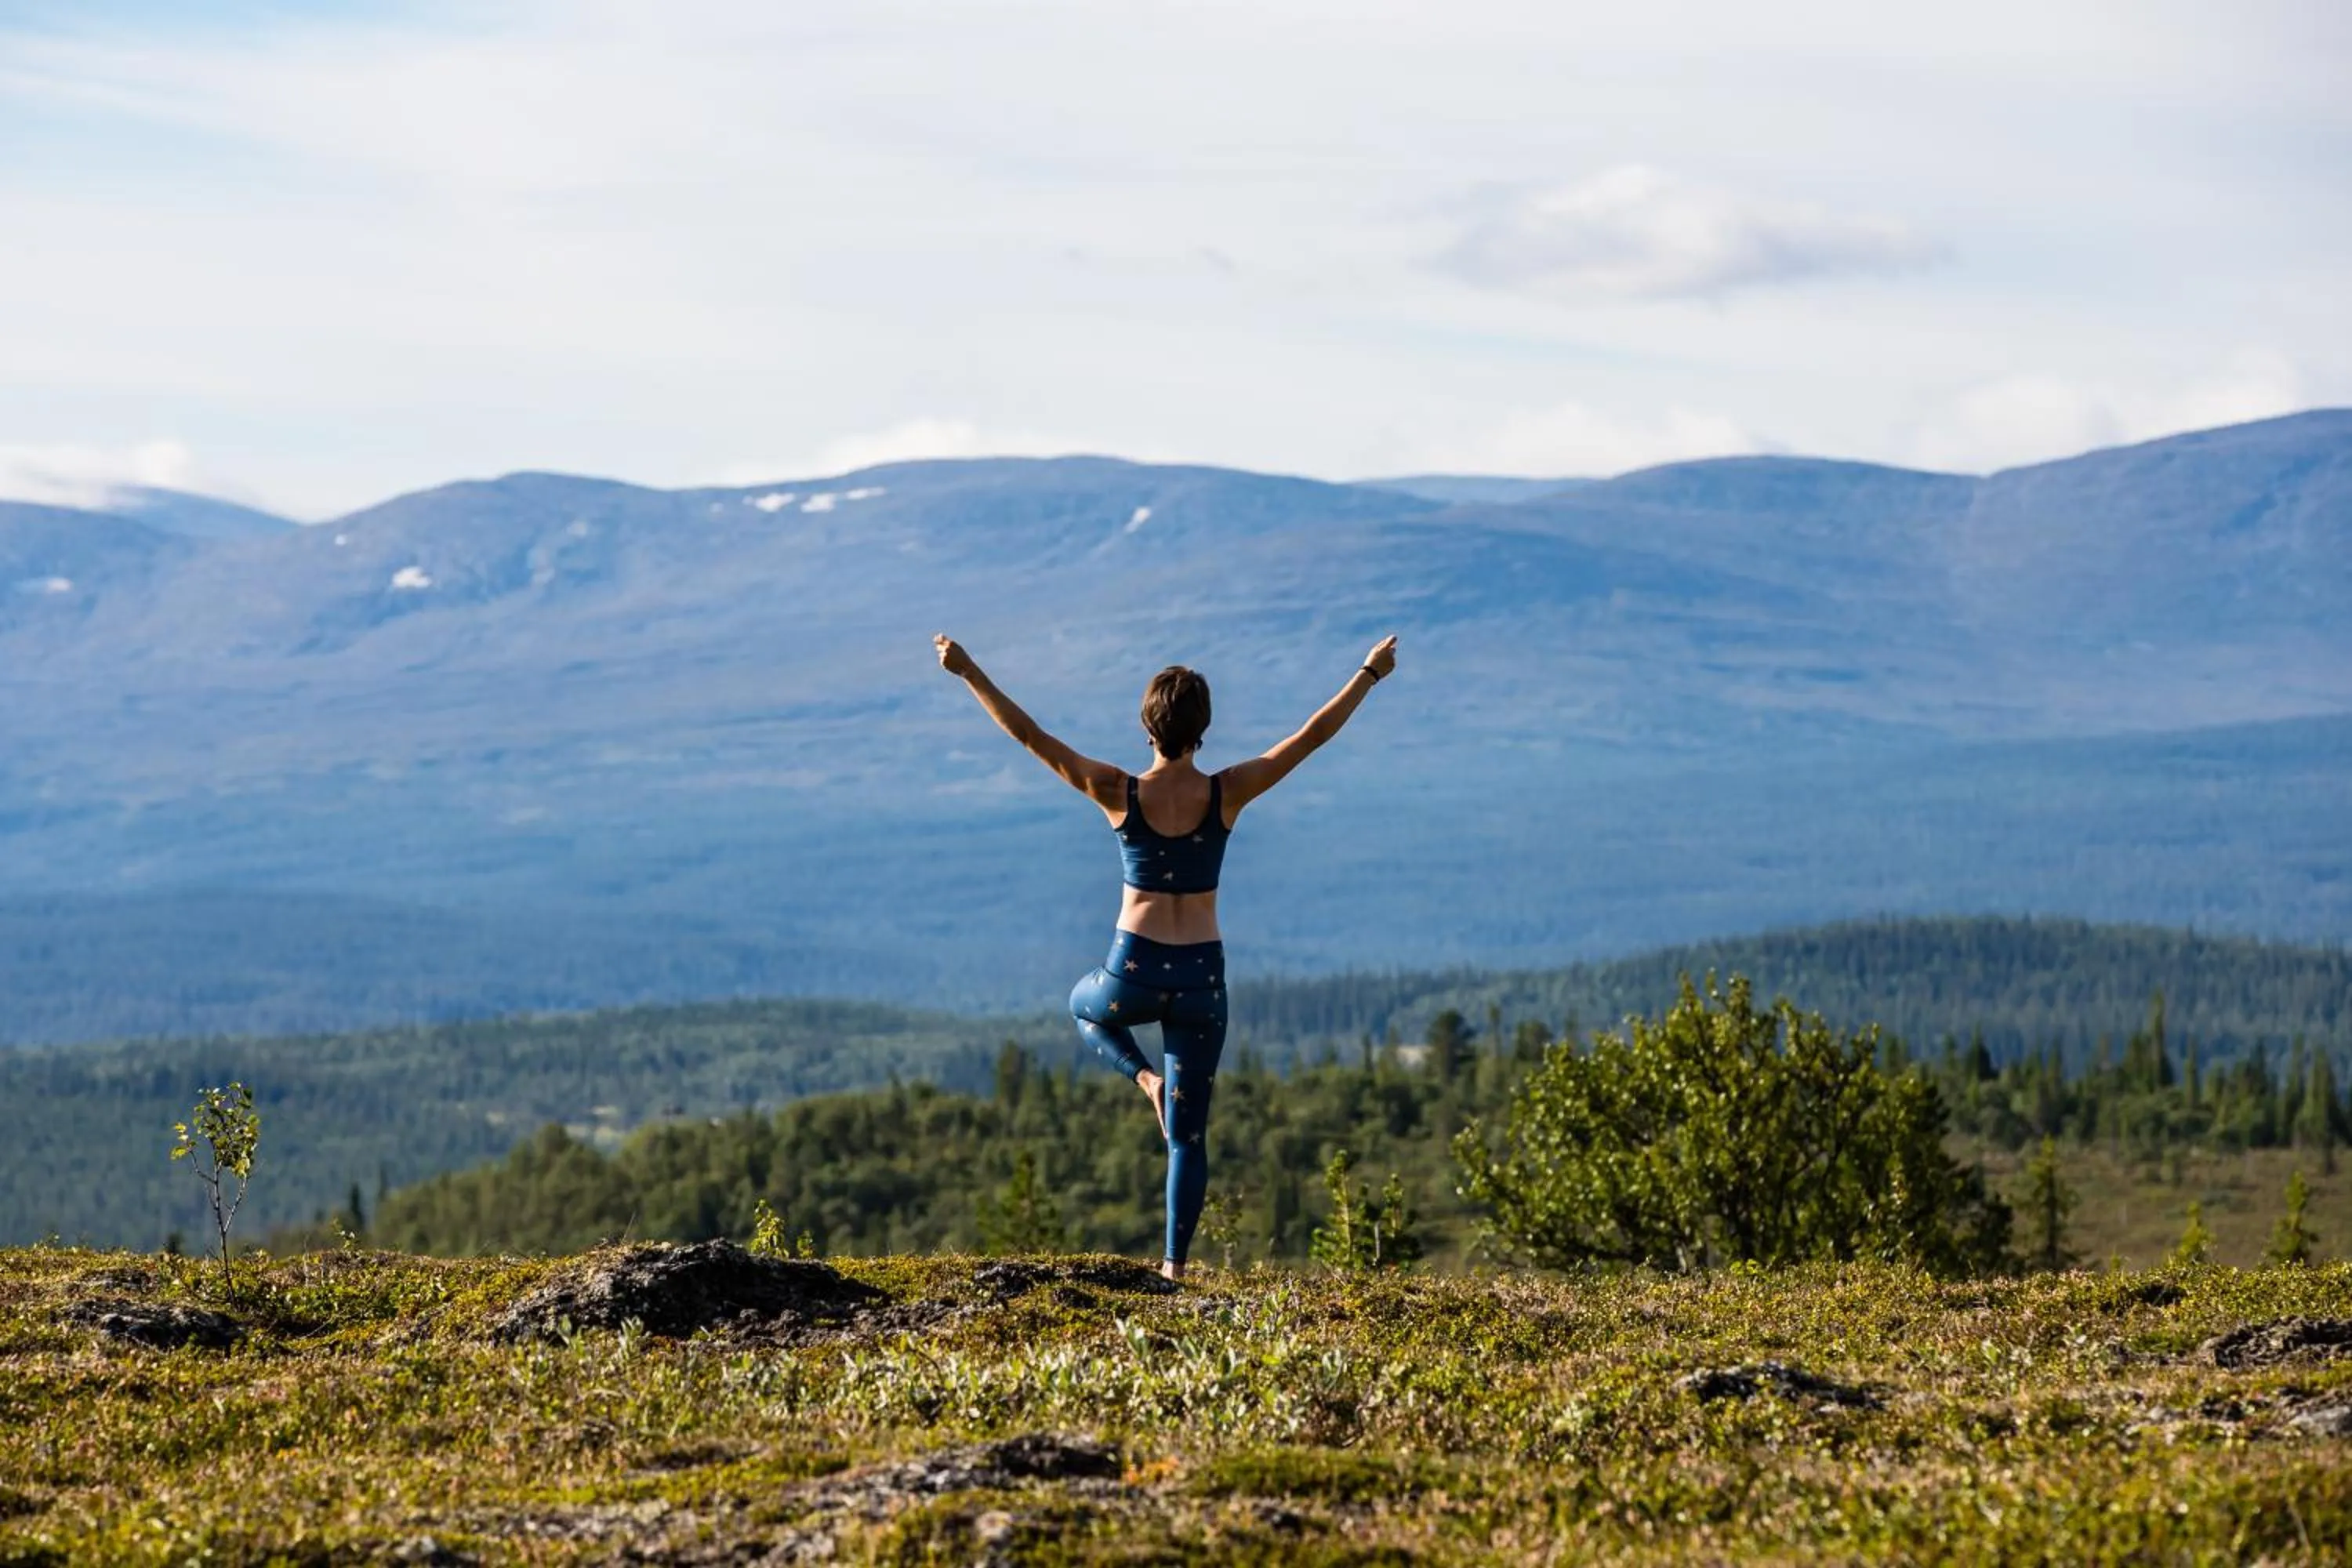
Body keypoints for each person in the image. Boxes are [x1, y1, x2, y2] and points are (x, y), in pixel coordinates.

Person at [933, 632, 1399, 1280]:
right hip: (1204, 979)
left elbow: (1031, 737)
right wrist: (1369, 674)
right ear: (1202, 730)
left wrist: (968, 671)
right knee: (1189, 1136)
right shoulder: (1228, 792)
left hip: (1135, 972)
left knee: (1083, 1006)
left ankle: (1144, 1079)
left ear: (1146, 726)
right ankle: (1175, 1268)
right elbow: (1314, 734)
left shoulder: (1114, 790)